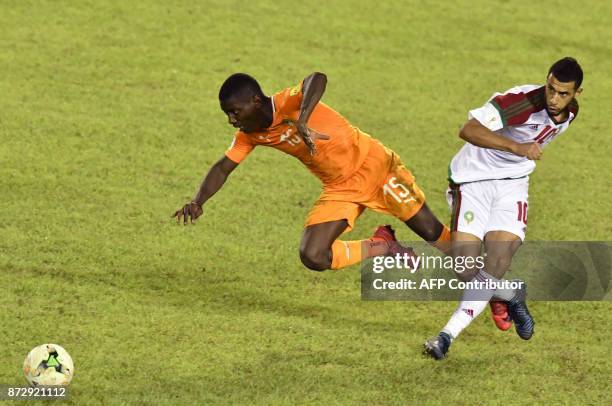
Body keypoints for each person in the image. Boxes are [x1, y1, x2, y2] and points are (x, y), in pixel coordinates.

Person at [172, 72, 452, 272]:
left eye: (235, 111)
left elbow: (316, 78)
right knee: (314, 255)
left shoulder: (286, 103)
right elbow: (223, 167)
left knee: (438, 238)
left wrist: (303, 119)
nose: (232, 120)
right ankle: (382, 245)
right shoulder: (251, 134)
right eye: (227, 114)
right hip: (341, 188)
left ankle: (490, 282)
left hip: (376, 167)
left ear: (255, 101)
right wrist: (198, 201)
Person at [424, 57, 583, 360]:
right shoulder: (520, 102)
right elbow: (468, 130)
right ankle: (508, 293)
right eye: (551, 89)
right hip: (473, 180)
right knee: (465, 268)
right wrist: (517, 148)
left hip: (513, 185)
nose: (554, 98)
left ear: (576, 94)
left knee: (498, 258)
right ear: (545, 81)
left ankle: (445, 336)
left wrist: (520, 159)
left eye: (563, 93)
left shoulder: (570, 113)